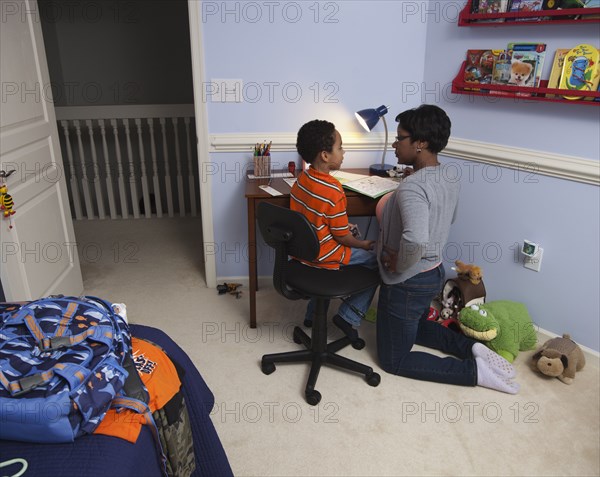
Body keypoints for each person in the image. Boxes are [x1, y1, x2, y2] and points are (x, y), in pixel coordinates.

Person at [375, 104, 520, 394]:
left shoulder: (413, 187)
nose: (394, 143)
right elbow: (448, 218)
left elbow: (415, 240)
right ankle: (474, 349)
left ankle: (473, 371)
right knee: (415, 324)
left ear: (421, 143)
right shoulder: (448, 176)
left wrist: (399, 264)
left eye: (400, 137)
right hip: (431, 272)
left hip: (408, 279)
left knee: (393, 359)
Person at [290, 119, 378, 345]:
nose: (344, 151)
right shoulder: (334, 190)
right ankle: (349, 316)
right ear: (325, 156)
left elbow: (313, 220)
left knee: (351, 243)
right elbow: (342, 238)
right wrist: (365, 244)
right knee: (379, 262)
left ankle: (311, 316)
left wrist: (340, 226)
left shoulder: (301, 179)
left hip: (304, 253)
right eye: (340, 147)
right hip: (326, 256)